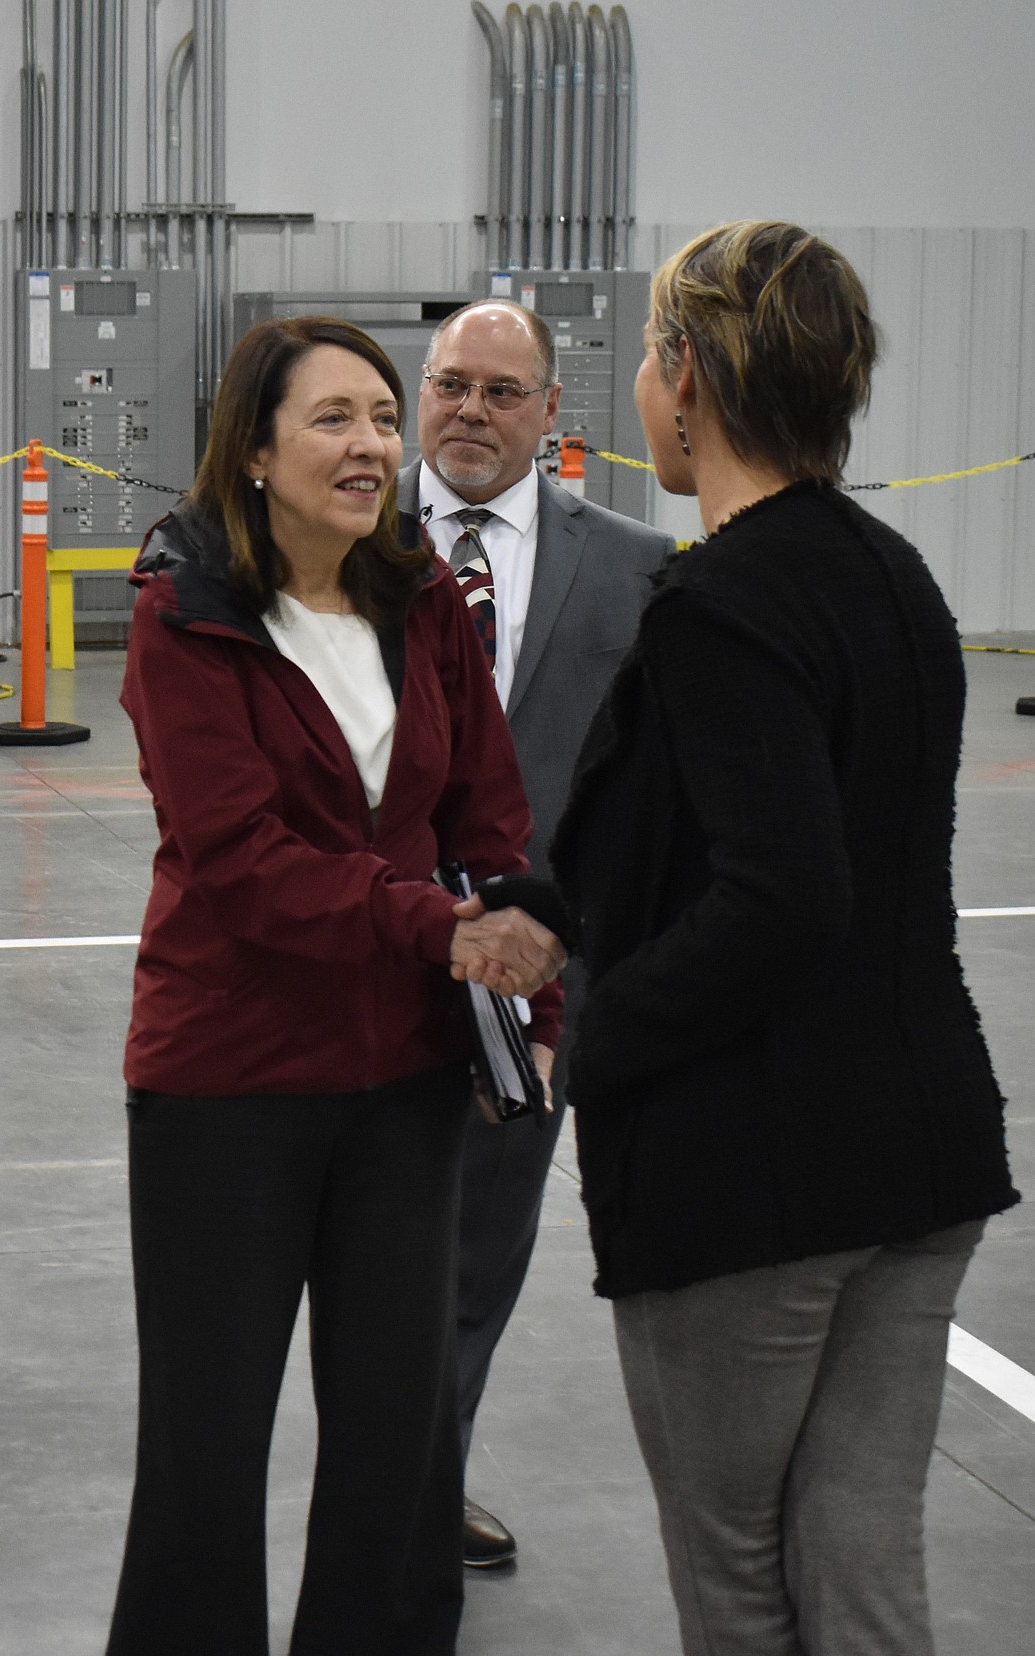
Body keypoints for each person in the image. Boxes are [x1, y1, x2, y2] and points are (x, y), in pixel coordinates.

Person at [545, 221, 1020, 1655]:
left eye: (644, 353)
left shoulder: (717, 605)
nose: (639, 383)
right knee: (865, 1566)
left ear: (686, 375)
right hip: (920, 1150)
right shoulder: (893, 578)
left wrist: (597, 1032)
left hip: (753, 1172)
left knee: (736, 1578)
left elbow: (780, 893)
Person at [105, 315, 565, 1656]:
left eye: (380, 416)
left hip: (403, 1089)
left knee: (397, 1442)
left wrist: (524, 1001)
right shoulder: (184, 613)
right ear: (253, 447)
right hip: (225, 1089)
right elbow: (242, 862)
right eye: (333, 419)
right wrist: (440, 930)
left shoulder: (421, 602)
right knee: (207, 1444)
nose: (371, 445)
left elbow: (489, 821)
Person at [398, 298, 672, 1565]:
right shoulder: (336, 534)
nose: (471, 410)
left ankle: (417, 1486)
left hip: (532, 976)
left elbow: (652, 785)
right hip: (360, 957)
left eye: (504, 392)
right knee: (343, 1248)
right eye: (451, 383)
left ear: (555, 412)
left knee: (480, 1252)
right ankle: (373, 1484)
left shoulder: (633, 564)